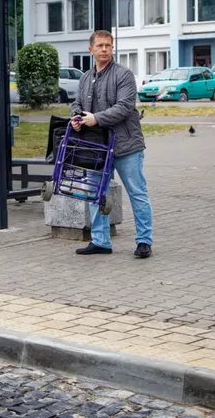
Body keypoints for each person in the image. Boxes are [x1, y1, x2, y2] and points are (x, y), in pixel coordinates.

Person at [71, 30, 154, 259]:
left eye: (108, 45)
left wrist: (95, 119)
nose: (104, 49)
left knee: (137, 193)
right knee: (95, 193)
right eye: (100, 46)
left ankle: (144, 241)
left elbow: (124, 106)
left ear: (113, 48)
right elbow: (76, 103)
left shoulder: (124, 75)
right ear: (91, 50)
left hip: (127, 145)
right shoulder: (85, 78)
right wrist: (76, 119)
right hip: (97, 148)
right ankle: (100, 241)